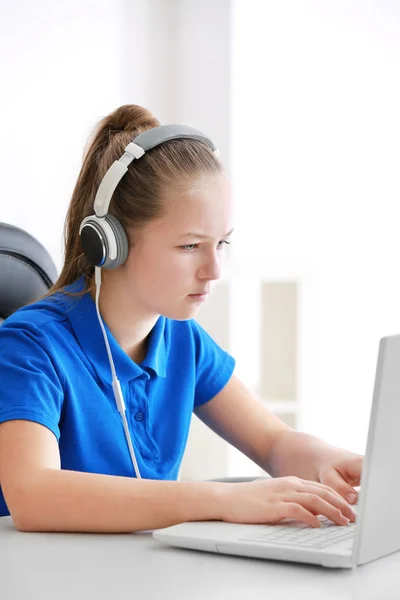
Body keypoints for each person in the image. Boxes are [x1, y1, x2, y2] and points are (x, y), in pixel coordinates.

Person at [0, 104, 362, 533]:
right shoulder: (29, 345)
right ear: (109, 243)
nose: (214, 270)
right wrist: (224, 499)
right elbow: (34, 495)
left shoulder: (182, 340)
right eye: (190, 246)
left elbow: (274, 441)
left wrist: (334, 463)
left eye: (221, 243)